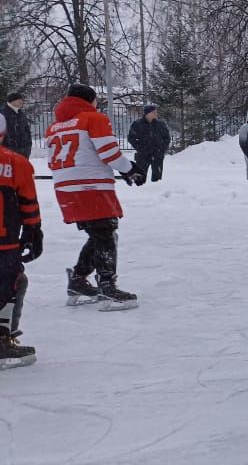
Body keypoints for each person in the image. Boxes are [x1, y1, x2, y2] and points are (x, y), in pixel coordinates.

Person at [48, 83, 147, 312]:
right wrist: (130, 169)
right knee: (105, 233)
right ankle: (107, 287)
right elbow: (109, 152)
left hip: (65, 186)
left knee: (99, 232)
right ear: (90, 100)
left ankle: (78, 280)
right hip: (90, 185)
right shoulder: (93, 118)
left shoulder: (55, 126)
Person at [0, 116, 42, 370]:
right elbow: (28, 202)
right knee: (13, 283)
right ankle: (2, 338)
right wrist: (34, 232)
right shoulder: (15, 163)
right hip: (4, 242)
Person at [127, 105, 171, 182]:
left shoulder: (161, 124)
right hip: (143, 155)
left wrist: (162, 149)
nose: (155, 113)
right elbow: (131, 138)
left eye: (155, 112)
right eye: (153, 112)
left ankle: (156, 191)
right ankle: (140, 192)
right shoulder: (137, 124)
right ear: (147, 113)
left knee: (157, 179)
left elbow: (167, 138)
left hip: (157, 155)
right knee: (140, 178)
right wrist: (140, 148)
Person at [1, 92, 31, 158]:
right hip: (8, 152)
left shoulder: (21, 113)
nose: (21, 102)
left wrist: (28, 146)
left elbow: (27, 131)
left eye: (22, 100)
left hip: (23, 152)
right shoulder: (3, 114)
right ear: (12, 101)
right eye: (19, 100)